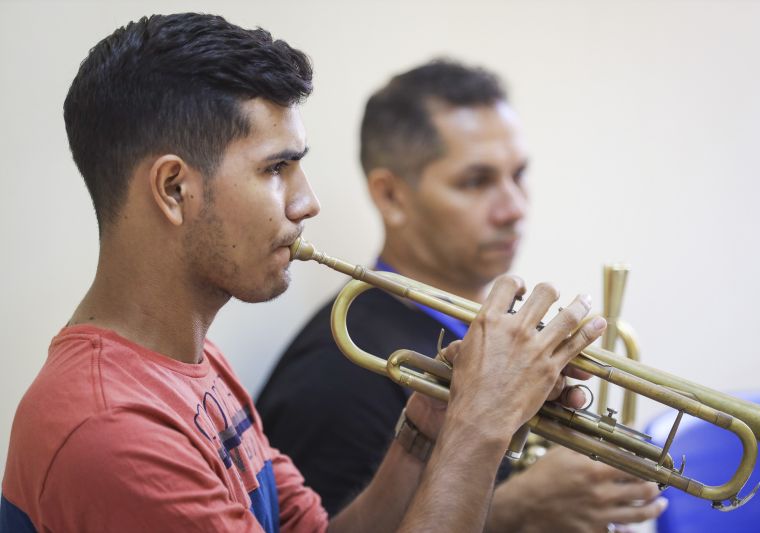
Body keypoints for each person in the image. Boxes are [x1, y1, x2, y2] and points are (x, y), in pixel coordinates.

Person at [0, 13, 607, 533]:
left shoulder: (196, 365)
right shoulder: (113, 432)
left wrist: (426, 433)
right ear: (174, 188)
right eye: (276, 169)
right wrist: (483, 426)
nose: (307, 201)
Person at [257, 60, 668, 532]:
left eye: (519, 174)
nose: (514, 208)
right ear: (391, 197)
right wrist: (514, 510)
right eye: (476, 181)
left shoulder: (492, 337)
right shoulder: (338, 371)